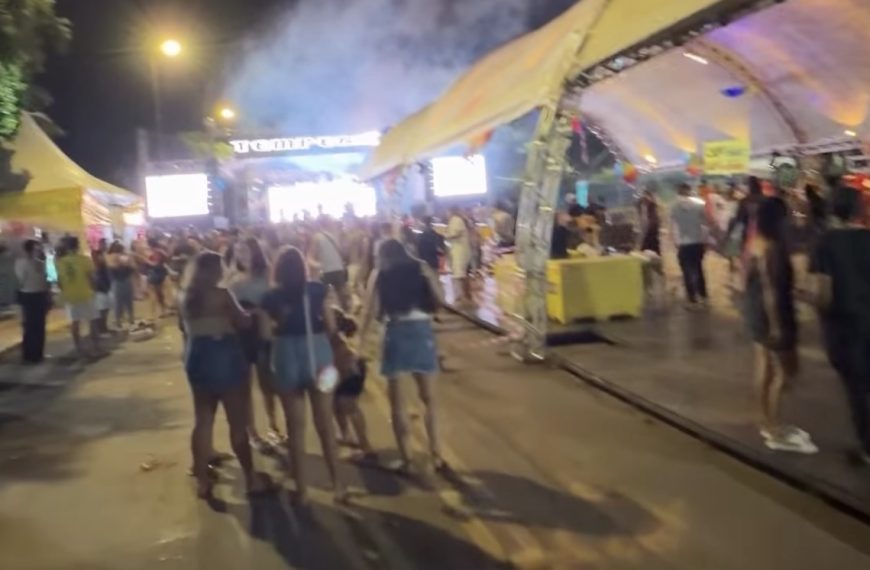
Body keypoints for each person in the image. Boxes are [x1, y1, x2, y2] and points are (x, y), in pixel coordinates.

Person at [181, 251, 271, 499]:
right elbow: (243, 322)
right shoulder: (221, 295)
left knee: (203, 420)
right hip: (223, 355)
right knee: (237, 422)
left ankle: (202, 480)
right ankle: (251, 479)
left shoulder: (185, 296)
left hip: (196, 355)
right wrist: (255, 313)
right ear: (214, 271)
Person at [262, 247, 346, 503]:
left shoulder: (270, 297)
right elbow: (332, 326)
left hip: (286, 359)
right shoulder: (318, 290)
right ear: (303, 268)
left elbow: (265, 335)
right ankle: (338, 485)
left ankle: (302, 490)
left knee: (295, 429)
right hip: (320, 358)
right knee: (326, 425)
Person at [359, 239, 444, 474]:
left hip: (395, 332)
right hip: (422, 331)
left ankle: (407, 459)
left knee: (398, 404)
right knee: (429, 399)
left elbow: (370, 310)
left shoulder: (379, 273)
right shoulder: (421, 267)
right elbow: (440, 298)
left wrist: (361, 341)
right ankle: (436, 454)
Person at [744, 197, 816, 454]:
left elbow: (748, 283)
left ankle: (766, 421)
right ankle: (774, 429)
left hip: (755, 312)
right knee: (783, 374)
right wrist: (776, 325)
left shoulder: (755, 244)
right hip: (772, 314)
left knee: (764, 368)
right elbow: (771, 291)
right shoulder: (772, 248)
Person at [809, 185, 870, 465]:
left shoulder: (824, 242)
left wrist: (812, 305)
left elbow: (822, 292)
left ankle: (867, 447)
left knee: (856, 389)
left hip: (844, 328)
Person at [227, 238, 282, 448]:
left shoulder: (267, 275)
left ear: (255, 252)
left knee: (268, 384)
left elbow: (276, 303)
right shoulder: (232, 279)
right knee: (245, 387)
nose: (241, 255)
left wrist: (261, 312)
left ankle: (273, 426)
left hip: (264, 333)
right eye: (237, 251)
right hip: (241, 336)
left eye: (245, 250)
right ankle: (252, 432)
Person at [330, 307, 375, 460]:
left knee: (348, 405)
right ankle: (345, 435)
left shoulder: (335, 342)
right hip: (344, 371)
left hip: (351, 372)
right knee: (336, 405)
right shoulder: (333, 339)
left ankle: (366, 447)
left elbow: (343, 365)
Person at [56, 236, 101, 358]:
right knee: (92, 321)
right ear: (78, 246)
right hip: (85, 294)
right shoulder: (85, 260)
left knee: (75, 323)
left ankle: (78, 348)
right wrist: (94, 288)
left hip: (70, 297)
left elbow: (59, 282)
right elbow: (92, 278)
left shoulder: (61, 262)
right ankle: (96, 348)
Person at [670, 183, 709, 308]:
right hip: (697, 242)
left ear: (678, 191)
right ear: (689, 191)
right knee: (698, 268)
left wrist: (676, 242)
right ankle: (703, 295)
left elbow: (673, 226)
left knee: (686, 271)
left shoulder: (673, 207)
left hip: (683, 243)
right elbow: (705, 225)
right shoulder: (699, 205)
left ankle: (692, 299)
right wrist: (705, 240)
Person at [15, 239, 50, 364]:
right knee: (31, 325)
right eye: (36, 248)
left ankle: (37, 354)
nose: (38, 250)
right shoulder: (22, 263)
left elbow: (45, 279)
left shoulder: (40, 263)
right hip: (29, 295)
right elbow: (21, 281)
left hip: (37, 295)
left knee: (38, 325)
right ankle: (30, 354)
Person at [308, 220, 351, 311]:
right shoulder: (333, 237)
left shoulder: (317, 237)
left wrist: (318, 265)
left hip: (326, 271)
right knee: (342, 297)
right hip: (339, 269)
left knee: (325, 299)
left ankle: (331, 316)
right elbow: (343, 253)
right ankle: (345, 314)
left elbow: (310, 258)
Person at [445, 206, 472, 304]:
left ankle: (460, 296)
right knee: (462, 274)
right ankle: (465, 295)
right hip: (460, 250)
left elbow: (454, 233)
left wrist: (445, 235)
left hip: (459, 251)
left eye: (447, 212)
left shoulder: (456, 220)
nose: (446, 214)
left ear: (451, 211)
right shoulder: (458, 220)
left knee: (459, 274)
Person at [107, 242, 136, 329]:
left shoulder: (110, 257)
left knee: (119, 303)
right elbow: (132, 268)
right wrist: (125, 264)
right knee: (127, 302)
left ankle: (119, 320)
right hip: (123, 281)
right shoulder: (118, 257)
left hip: (118, 282)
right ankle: (129, 319)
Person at [145, 238, 170, 318]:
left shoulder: (156, 252)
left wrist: (146, 260)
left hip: (156, 273)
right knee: (159, 293)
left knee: (154, 294)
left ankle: (153, 313)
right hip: (161, 273)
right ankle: (163, 310)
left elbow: (155, 264)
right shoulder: (160, 251)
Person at [91, 248, 112, 334]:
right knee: (102, 312)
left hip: (104, 290)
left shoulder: (103, 266)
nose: (102, 257)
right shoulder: (95, 267)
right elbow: (96, 280)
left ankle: (103, 328)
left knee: (105, 311)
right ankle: (101, 330)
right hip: (100, 291)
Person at [637, 185, 661, 255]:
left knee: (652, 244)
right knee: (648, 245)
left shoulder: (652, 203)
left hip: (652, 227)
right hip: (647, 226)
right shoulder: (641, 203)